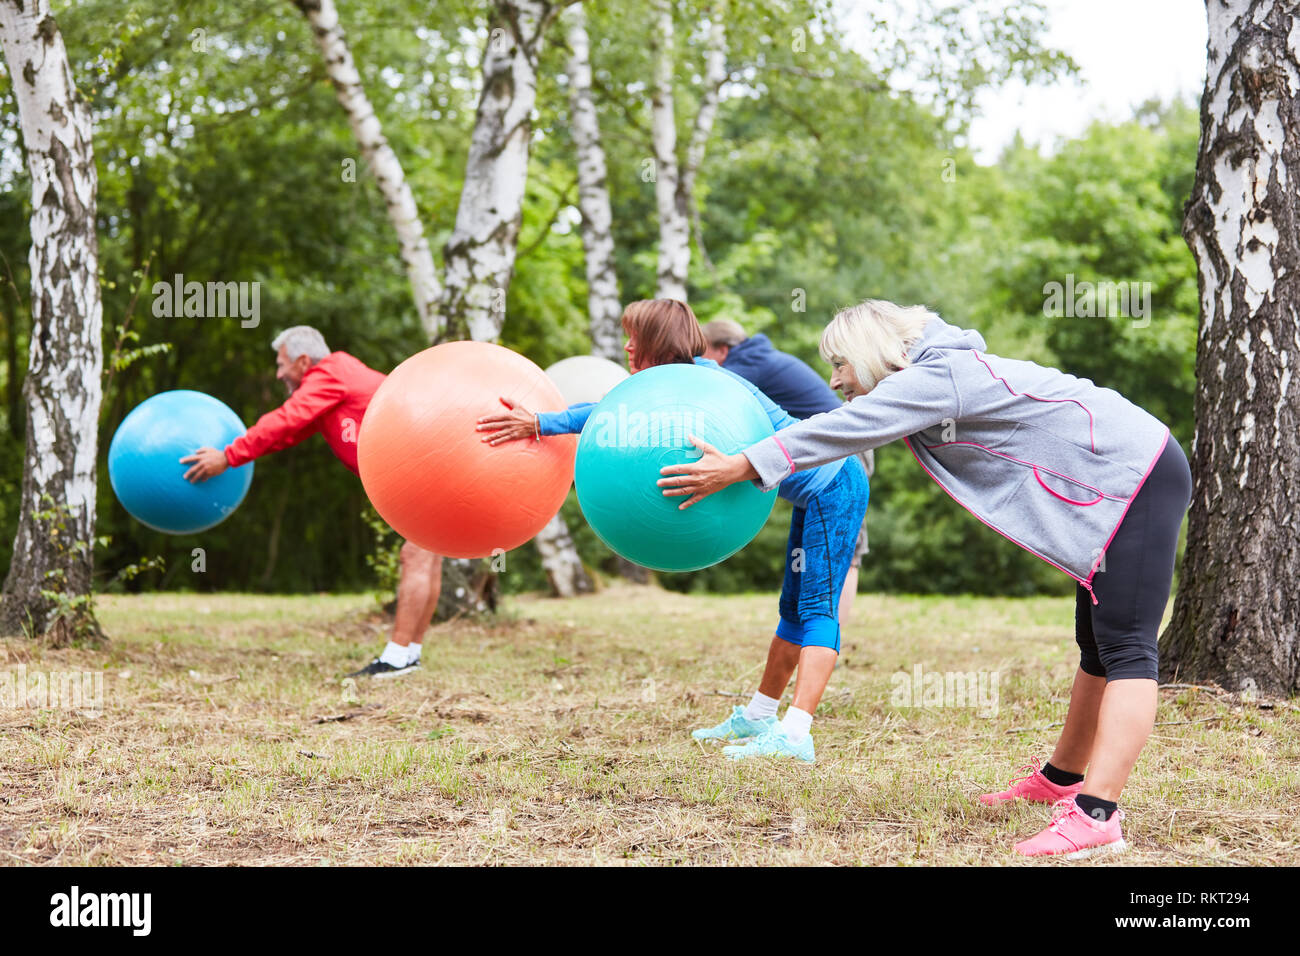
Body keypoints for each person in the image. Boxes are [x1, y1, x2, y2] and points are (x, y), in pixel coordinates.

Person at [658, 299, 1191, 859]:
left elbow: (846, 428)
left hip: (1140, 473)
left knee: (1128, 646)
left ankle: (1098, 815)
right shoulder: (936, 374)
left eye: (841, 363)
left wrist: (742, 464)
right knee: (1098, 643)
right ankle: (1062, 777)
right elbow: (833, 425)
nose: (835, 379)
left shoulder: (939, 376)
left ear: (871, 353)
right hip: (1121, 477)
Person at [476, 300, 869, 763]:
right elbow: (608, 412)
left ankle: (797, 734)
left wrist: (543, 423)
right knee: (792, 609)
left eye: (635, 338)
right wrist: (541, 424)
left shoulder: (709, 381)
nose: (627, 346)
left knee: (817, 607)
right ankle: (761, 715)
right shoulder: (670, 384)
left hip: (836, 482)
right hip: (814, 489)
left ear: (656, 344)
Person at [180, 326, 442, 679]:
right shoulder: (334, 382)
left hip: (426, 464)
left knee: (416, 554)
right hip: (426, 465)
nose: (278, 373)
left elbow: (286, 418)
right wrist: (240, 454)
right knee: (427, 555)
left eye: (281, 364)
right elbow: (288, 432)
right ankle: (409, 653)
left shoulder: (331, 373)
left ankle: (397, 659)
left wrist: (228, 456)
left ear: (303, 361)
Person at [701, 317, 874, 624]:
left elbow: (712, 400)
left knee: (845, 551)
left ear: (723, 350)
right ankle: (818, 632)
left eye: (704, 353)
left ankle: (831, 633)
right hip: (827, 453)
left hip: (846, 450)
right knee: (823, 546)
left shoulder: (746, 365)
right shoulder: (758, 358)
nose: (703, 362)